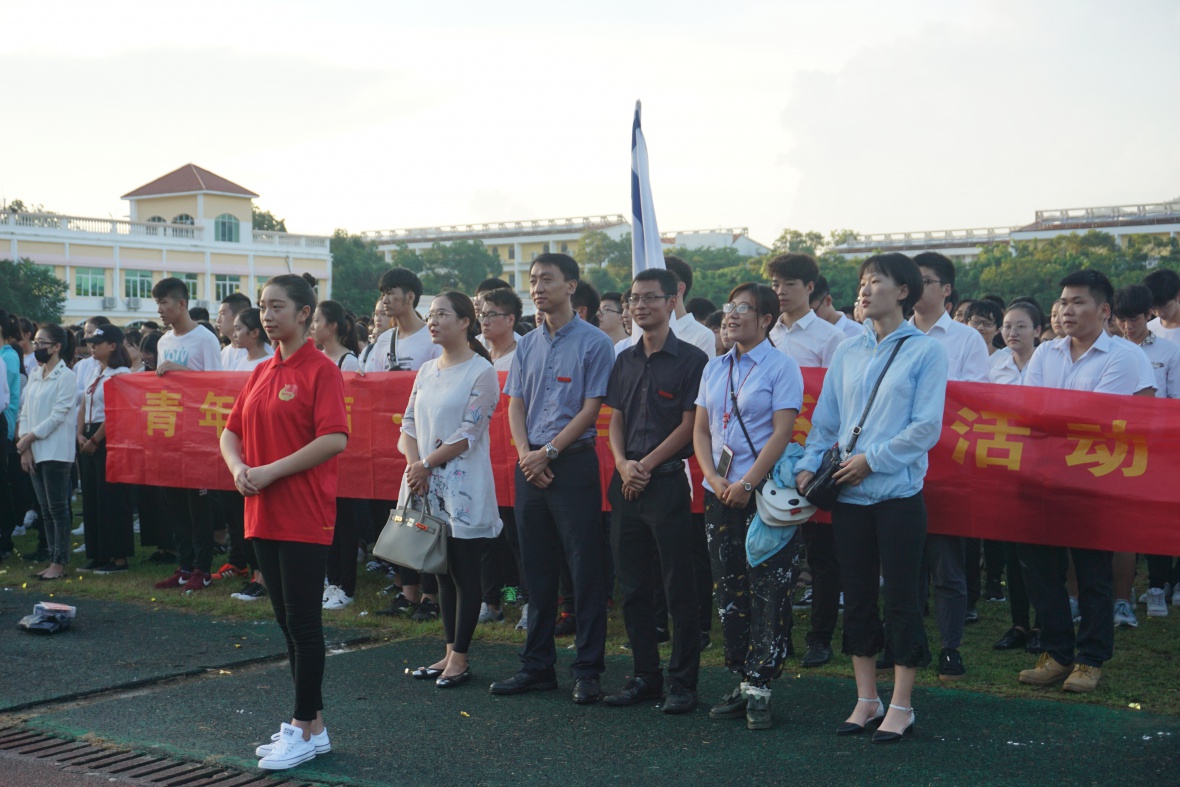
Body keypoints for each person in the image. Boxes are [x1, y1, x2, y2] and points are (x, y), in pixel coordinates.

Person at [795, 252, 947, 743]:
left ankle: (901, 704)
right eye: (862, 281)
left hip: (898, 495)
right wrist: (806, 465)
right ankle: (866, 699)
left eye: (876, 281)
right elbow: (826, 421)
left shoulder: (926, 351)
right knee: (857, 596)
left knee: (902, 597)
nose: (864, 289)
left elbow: (926, 427)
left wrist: (872, 460)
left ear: (903, 291)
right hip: (849, 497)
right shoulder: (847, 350)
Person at [220, 273, 348, 771]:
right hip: (262, 512)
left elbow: (334, 438)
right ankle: (313, 728)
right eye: (263, 306)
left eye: (277, 306)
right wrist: (238, 468)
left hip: (303, 513)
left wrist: (269, 470)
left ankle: (300, 726)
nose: (267, 315)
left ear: (304, 313)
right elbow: (230, 432)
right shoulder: (260, 371)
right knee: (286, 624)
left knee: (304, 625)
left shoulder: (321, 370)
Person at [490, 252, 614, 705]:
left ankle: (588, 669)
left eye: (547, 279)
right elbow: (515, 403)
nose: (537, 288)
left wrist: (550, 453)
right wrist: (528, 455)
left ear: (571, 286)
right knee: (536, 570)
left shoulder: (595, 342)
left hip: (573, 464)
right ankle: (537, 666)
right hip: (531, 466)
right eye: (533, 280)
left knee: (584, 570)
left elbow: (591, 408)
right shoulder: (527, 343)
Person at [1017, 270, 1141, 694]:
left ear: (1104, 310)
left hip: (1094, 479)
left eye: (1078, 302)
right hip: (1042, 476)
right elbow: (1028, 409)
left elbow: (1095, 418)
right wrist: (1052, 420)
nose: (1067, 310)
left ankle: (1091, 658)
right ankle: (1057, 653)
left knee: (1092, 573)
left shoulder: (1123, 356)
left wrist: (1051, 419)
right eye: (1064, 302)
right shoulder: (1045, 353)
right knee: (1040, 569)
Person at [693, 283, 802, 731]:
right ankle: (742, 677)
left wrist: (746, 482)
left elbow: (782, 432)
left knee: (770, 588)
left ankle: (762, 685)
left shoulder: (781, 366)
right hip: (719, 492)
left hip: (763, 494)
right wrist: (715, 478)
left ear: (767, 320)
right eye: (729, 307)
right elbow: (701, 430)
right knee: (729, 588)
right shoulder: (714, 367)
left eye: (744, 308)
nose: (731, 315)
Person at [603, 268, 707, 714]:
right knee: (633, 587)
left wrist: (644, 465)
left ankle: (683, 682)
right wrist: (623, 464)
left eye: (650, 298)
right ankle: (645, 676)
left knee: (677, 586)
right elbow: (615, 418)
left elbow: (690, 426)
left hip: (665, 483)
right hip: (625, 483)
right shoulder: (623, 359)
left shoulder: (693, 360)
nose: (640, 305)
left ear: (672, 301)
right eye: (634, 298)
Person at [400, 292, 502, 687]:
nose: (433, 321)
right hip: (424, 484)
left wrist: (425, 464)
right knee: (439, 571)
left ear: (465, 322)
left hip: (462, 489)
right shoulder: (427, 370)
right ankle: (447, 653)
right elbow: (408, 424)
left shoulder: (482, 371)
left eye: (442, 314)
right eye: (431, 314)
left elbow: (469, 432)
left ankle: (461, 657)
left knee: (464, 571)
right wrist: (416, 466)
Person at [908, 252, 989, 681]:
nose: (916, 287)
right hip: (897, 465)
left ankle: (950, 647)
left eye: (925, 280)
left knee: (946, 564)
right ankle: (906, 643)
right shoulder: (891, 333)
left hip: (946, 466)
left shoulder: (965, 340)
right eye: (911, 279)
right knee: (903, 566)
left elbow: (973, 403)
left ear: (946, 289)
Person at [764, 254, 846, 669]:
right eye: (776, 284)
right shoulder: (766, 332)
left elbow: (837, 401)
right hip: (769, 455)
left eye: (790, 284)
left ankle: (820, 637)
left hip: (815, 458)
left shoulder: (832, 339)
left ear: (810, 288)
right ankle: (778, 635)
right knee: (774, 549)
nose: (781, 291)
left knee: (821, 555)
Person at [363, 268, 442, 620]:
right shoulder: (384, 341)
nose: (385, 301)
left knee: (429, 515)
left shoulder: (431, 338)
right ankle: (407, 591)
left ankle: (431, 595)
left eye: (391, 293)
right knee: (399, 515)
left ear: (410, 297)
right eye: (382, 294)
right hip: (392, 439)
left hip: (428, 441)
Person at [1112, 284, 1180, 618]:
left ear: (1148, 314)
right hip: (1116, 446)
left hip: (1156, 446)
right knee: (1121, 518)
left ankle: (1156, 586)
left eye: (1135, 319)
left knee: (1154, 517)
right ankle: (1120, 590)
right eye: (1122, 320)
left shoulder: (1169, 352)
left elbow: (1175, 401)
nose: (1128, 327)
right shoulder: (1111, 351)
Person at [152, 277, 224, 592]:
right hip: (171, 431)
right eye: (157, 303)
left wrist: (183, 373)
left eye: (164, 302)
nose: (159, 309)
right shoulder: (163, 341)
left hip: (198, 433)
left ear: (181, 304)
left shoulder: (205, 339)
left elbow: (218, 384)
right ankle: (183, 566)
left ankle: (202, 569)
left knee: (199, 506)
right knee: (175, 504)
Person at [988, 301, 1043, 651]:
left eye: (1021, 326)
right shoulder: (994, 366)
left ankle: (1043, 624)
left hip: (1043, 466)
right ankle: (1019, 623)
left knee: (1041, 551)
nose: (1012, 332)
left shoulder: (1049, 362)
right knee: (1012, 550)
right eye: (1007, 326)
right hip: (1006, 466)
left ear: (1037, 330)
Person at [476, 287, 526, 626]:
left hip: (515, 458)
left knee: (516, 536)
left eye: (491, 314)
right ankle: (492, 600)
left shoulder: (524, 354)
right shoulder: (475, 354)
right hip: (481, 459)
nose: (484, 320)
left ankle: (521, 598)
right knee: (487, 537)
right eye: (482, 314)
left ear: (510, 319)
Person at [309, 300, 362, 610]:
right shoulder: (316, 359)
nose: (312, 326)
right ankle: (330, 581)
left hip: (345, 455)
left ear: (332, 326)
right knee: (324, 520)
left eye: (316, 320)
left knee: (344, 524)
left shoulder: (348, 362)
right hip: (319, 452)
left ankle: (345, 585)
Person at [16, 324, 78, 579]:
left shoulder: (67, 376)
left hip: (56, 451)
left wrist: (29, 438)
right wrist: (25, 445)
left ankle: (59, 562)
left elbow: (58, 415)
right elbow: (26, 411)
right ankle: (52, 558)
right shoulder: (35, 373)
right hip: (34, 450)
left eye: (42, 343)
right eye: (36, 342)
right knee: (45, 509)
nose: (37, 347)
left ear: (56, 347)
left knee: (57, 509)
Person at [76, 325, 135, 574]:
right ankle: (98, 554)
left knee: (111, 497)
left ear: (112, 346)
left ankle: (118, 557)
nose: (92, 346)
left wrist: (96, 439)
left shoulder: (120, 374)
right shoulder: (95, 370)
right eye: (90, 342)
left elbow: (116, 411)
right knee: (91, 496)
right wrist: (79, 433)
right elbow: (83, 404)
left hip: (109, 436)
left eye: (97, 343)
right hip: (89, 433)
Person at [1142, 268, 1180, 344]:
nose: (1159, 313)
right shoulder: (1147, 331)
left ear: (1178, 296)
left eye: (1166, 307)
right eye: (1153, 308)